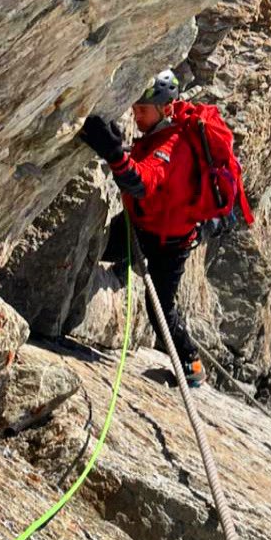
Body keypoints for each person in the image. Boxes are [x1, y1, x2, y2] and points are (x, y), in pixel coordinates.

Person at [79, 70, 207, 388]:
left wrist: (113, 153)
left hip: (169, 243)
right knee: (96, 246)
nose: (136, 114)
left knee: (159, 310)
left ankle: (191, 363)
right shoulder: (161, 131)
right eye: (135, 108)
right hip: (146, 225)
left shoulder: (173, 144)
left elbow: (142, 183)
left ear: (165, 108)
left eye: (143, 109)